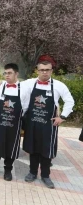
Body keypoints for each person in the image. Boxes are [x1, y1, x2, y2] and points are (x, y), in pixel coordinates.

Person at [22, 61, 74, 189]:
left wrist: (62, 117)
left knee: (47, 150)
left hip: (49, 124)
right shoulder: (29, 83)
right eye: (42, 70)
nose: (44, 72)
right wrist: (1, 83)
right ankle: (32, 173)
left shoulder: (59, 85)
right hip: (32, 122)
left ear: (51, 71)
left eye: (47, 70)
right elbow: (12, 85)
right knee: (33, 148)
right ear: (37, 71)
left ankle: (46, 175)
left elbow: (69, 101)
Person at [0, 63, 30, 181]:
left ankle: (8, 170)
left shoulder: (23, 89)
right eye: (5, 73)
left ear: (16, 74)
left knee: (11, 146)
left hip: (14, 124)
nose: (7, 75)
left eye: (10, 73)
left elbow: (25, 107)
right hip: (0, 122)